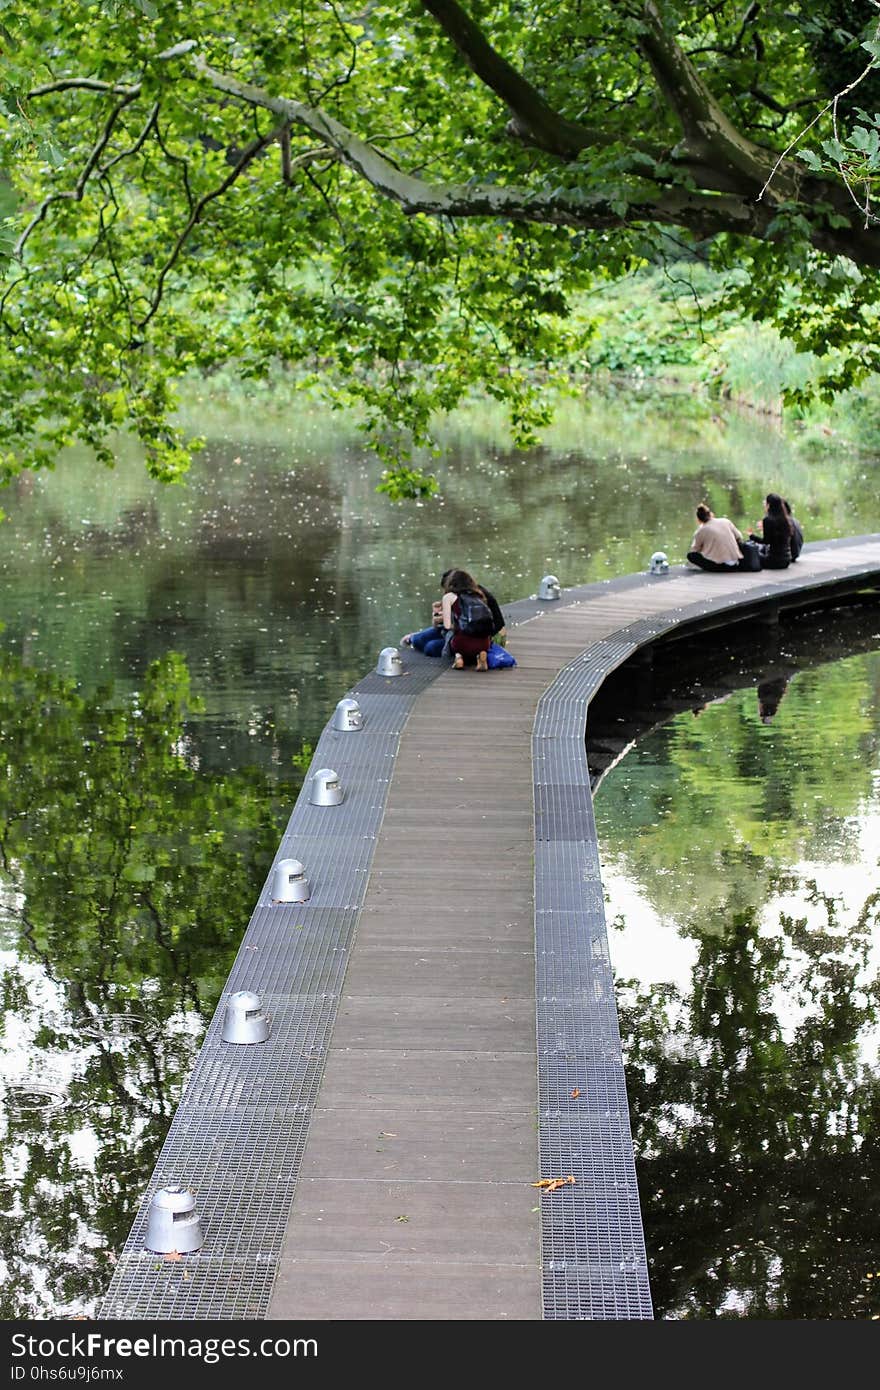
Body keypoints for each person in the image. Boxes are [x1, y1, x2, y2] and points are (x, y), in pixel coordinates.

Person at [402, 568, 506, 655]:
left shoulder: (458, 597)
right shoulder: (478, 593)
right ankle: (413, 638)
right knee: (422, 639)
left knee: (430, 647)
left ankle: (412, 639)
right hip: (475, 637)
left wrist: (443, 620)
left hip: (477, 636)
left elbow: (453, 626)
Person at [441, 568, 493, 671]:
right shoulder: (479, 595)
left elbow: (447, 626)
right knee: (475, 642)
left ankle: (458, 657)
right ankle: (481, 656)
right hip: (484, 643)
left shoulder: (449, 597)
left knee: (449, 634)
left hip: (461, 644)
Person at [686, 503, 744, 572]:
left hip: (720, 566)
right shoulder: (725, 521)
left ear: (698, 519)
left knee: (691, 555)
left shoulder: (701, 530)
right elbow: (739, 537)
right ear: (711, 514)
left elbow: (694, 549)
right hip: (736, 564)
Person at [749, 492, 792, 569]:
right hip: (786, 561)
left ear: (768, 505)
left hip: (773, 562)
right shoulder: (785, 519)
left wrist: (752, 536)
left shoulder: (768, 520)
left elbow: (766, 541)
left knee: (750, 552)